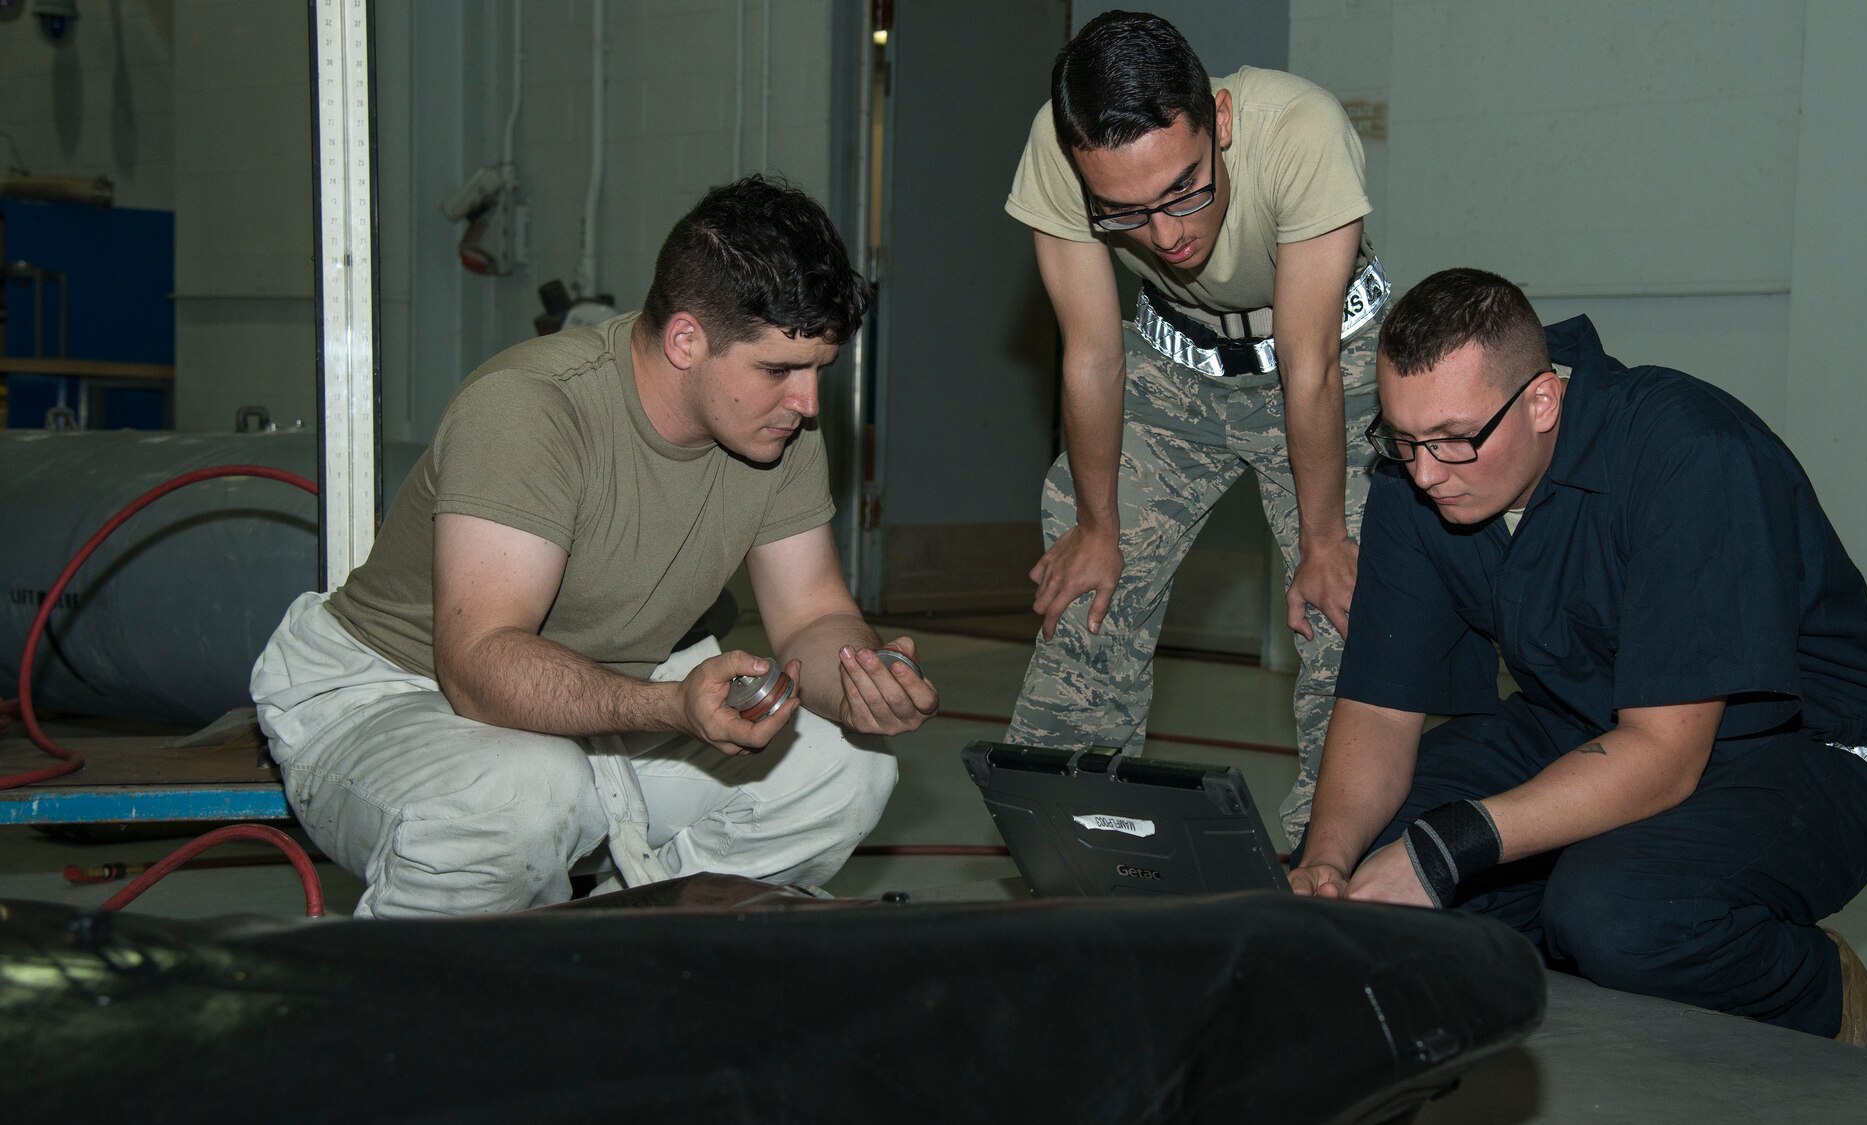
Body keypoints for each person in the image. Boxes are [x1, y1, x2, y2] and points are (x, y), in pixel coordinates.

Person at [250, 176, 938, 918]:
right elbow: (479, 666)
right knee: (528, 789)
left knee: (847, 767)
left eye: (816, 372)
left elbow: (811, 616)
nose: (806, 403)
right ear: (685, 340)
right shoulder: (530, 411)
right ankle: (410, 1012)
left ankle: (632, 956)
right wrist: (671, 704)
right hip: (398, 696)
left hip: (605, 710)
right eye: (778, 369)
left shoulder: (775, 428)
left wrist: (865, 682)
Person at [1290, 268, 1867, 1047]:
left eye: (1454, 440)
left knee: (1616, 911)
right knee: (1359, 877)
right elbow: (1381, 711)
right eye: (1403, 439)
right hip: (1593, 712)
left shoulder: (1688, 453)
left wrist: (1446, 850)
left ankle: (1818, 988)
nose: (1424, 472)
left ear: (1543, 400)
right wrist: (1326, 858)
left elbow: (1663, 756)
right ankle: (1582, 910)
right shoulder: (1419, 481)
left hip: (1801, 745)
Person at [1003, 10, 1391, 843]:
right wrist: (1098, 526)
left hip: (1332, 363)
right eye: (1127, 212)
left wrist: (1324, 543)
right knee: (1089, 588)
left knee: (1351, 605)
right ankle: (1076, 844)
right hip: (1172, 369)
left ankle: (1332, 857)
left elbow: (1310, 363)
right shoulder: (1059, 143)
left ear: (1217, 120)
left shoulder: (1300, 130)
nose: (1169, 234)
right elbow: (1093, 354)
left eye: (1186, 187)